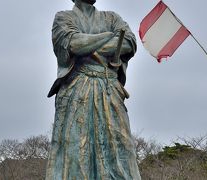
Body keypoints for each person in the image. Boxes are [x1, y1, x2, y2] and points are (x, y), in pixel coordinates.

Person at [46, 0, 141, 179]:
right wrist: (108, 36)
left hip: (109, 88)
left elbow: (129, 42)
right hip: (77, 88)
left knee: (121, 146)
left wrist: (90, 45)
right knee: (76, 148)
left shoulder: (112, 17)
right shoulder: (63, 18)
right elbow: (73, 44)